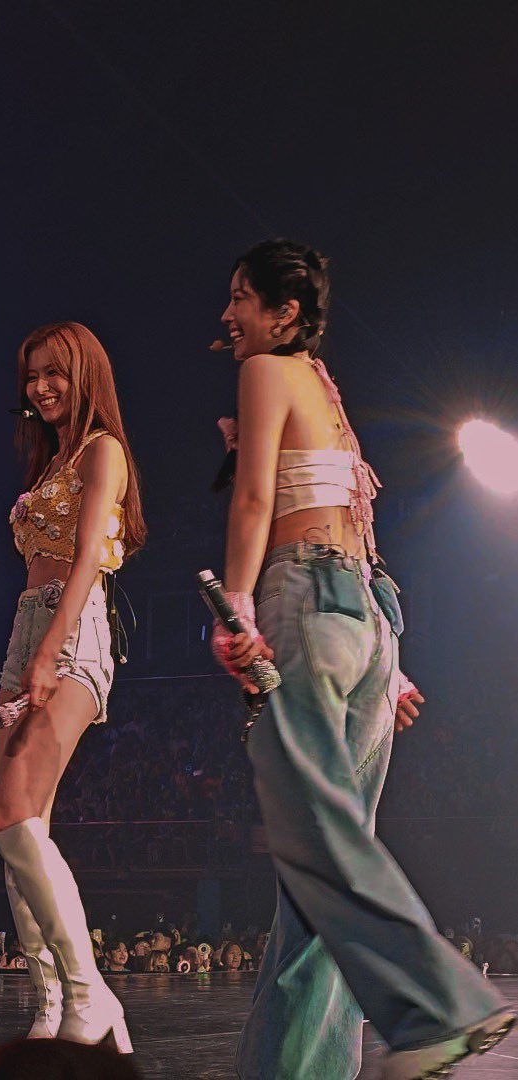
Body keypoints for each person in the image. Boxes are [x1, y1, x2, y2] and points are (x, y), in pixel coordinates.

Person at [210, 240, 514, 1079]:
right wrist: (390, 664)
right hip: (367, 622)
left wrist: (237, 606)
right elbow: (355, 522)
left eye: (240, 297)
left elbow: (256, 497)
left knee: (316, 840)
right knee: (317, 868)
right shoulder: (324, 387)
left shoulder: (268, 370)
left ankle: (436, 1008)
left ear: (284, 314)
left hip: (308, 603)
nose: (227, 315)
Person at [0, 322, 146, 1048]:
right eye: (32, 375)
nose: (41, 386)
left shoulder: (101, 450)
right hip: (26, 628)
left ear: (86, 375)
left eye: (55, 372)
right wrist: (31, 646)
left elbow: (87, 558)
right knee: (22, 830)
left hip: (71, 629)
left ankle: (90, 996)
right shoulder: (52, 460)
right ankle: (52, 1003)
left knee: (12, 817)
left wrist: (50, 651)